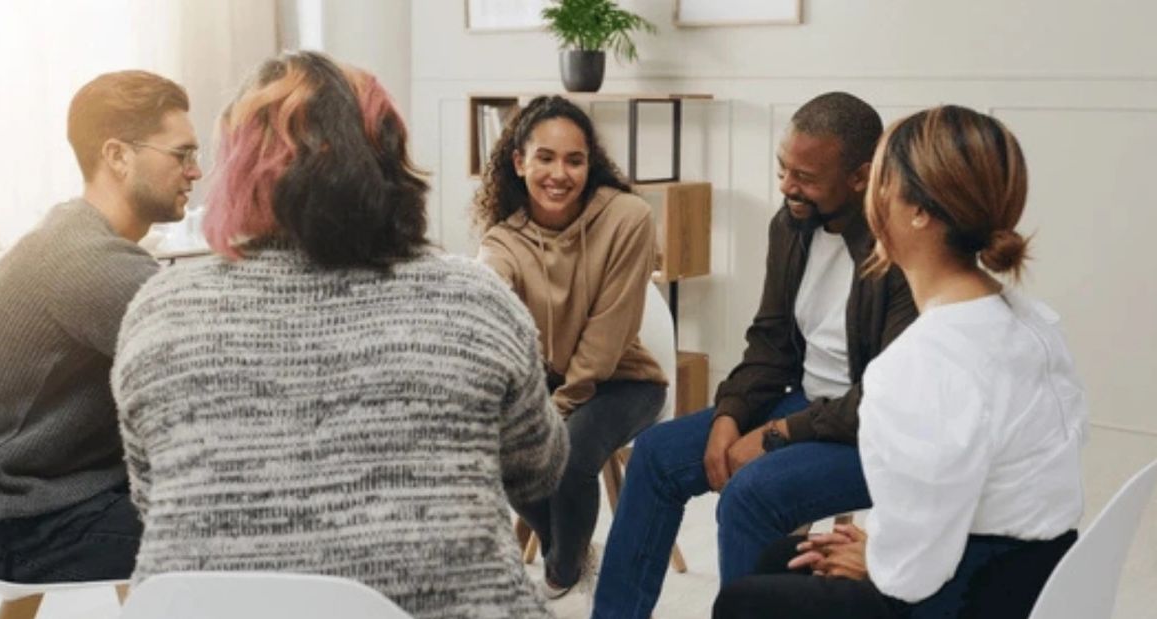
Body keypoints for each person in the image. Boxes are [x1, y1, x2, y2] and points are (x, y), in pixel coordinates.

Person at [110, 51, 568, 618]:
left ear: (237, 169)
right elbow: (539, 469)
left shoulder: (159, 312)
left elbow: (153, 499)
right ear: (388, 160)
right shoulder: (475, 302)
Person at [714, 104, 1086, 619]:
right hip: (1032, 574)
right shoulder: (1034, 322)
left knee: (740, 603)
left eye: (879, 181)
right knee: (784, 557)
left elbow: (912, 573)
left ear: (917, 212)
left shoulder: (918, 362)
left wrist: (876, 556)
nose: (868, 198)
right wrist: (874, 542)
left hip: (964, 597)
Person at [593, 92, 917, 618]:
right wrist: (730, 416)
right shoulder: (790, 226)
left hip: (872, 435)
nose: (788, 186)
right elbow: (770, 342)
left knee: (751, 495)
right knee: (655, 455)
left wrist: (771, 438)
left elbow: (883, 403)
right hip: (805, 406)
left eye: (806, 176)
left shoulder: (901, 252)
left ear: (860, 176)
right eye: (782, 168)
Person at [0, 70, 200, 582]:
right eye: (181, 155)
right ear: (117, 155)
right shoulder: (83, 258)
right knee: (244, 538)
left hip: (11, 501)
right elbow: (207, 352)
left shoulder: (73, 233)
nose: (196, 171)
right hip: (17, 524)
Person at [473, 95, 668, 597]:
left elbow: (608, 335)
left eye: (574, 160)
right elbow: (491, 284)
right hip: (550, 384)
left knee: (569, 452)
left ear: (590, 164)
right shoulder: (505, 238)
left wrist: (555, 411)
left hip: (625, 382)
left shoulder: (628, 218)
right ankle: (574, 551)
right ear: (519, 162)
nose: (559, 173)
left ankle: (560, 572)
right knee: (502, 447)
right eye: (545, 157)